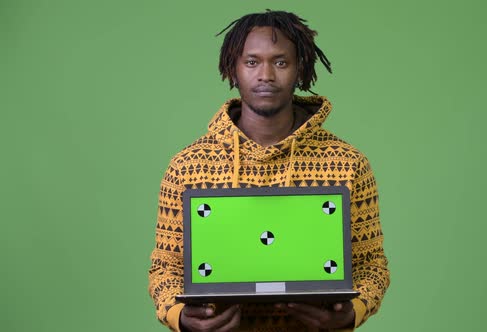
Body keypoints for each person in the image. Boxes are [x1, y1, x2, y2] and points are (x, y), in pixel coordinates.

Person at [148, 10, 390, 331]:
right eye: (251, 62)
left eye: (280, 62)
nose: (266, 75)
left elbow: (371, 264)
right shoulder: (188, 166)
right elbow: (165, 266)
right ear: (232, 69)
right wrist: (181, 317)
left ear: (299, 68)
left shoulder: (347, 163)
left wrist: (352, 312)